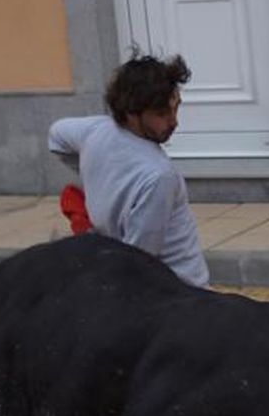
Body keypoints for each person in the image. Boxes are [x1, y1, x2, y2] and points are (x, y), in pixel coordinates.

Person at [48, 53, 209, 287]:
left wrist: (93, 173)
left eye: (176, 108)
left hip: (150, 280)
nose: (174, 122)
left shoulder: (95, 131)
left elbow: (56, 136)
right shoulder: (158, 175)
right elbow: (138, 260)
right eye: (162, 114)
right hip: (175, 293)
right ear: (132, 113)